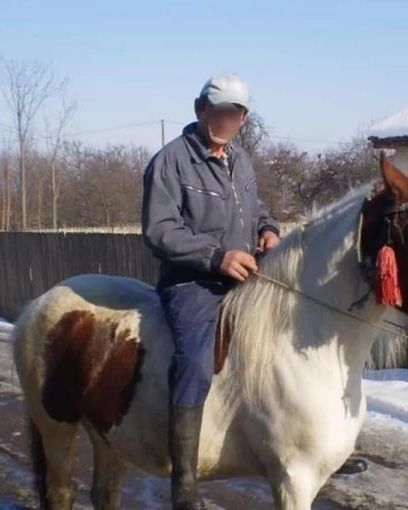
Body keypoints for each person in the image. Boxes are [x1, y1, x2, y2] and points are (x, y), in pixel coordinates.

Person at [141, 73, 280, 509]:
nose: (225, 120)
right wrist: (216, 256)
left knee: (284, 343)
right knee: (197, 361)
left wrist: (269, 229)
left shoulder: (242, 161)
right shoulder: (171, 161)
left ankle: (299, 447)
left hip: (242, 274)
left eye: (234, 114)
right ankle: (184, 482)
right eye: (217, 111)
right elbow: (160, 231)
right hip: (191, 280)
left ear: (243, 117)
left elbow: (254, 209)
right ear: (200, 109)